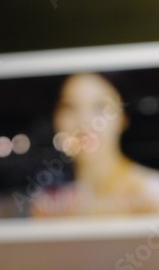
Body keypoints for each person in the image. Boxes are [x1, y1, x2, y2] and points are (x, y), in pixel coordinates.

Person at [32, 72, 159, 217]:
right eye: (70, 107)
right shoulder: (49, 205)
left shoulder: (152, 193)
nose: (84, 121)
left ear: (123, 117)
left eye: (100, 107)